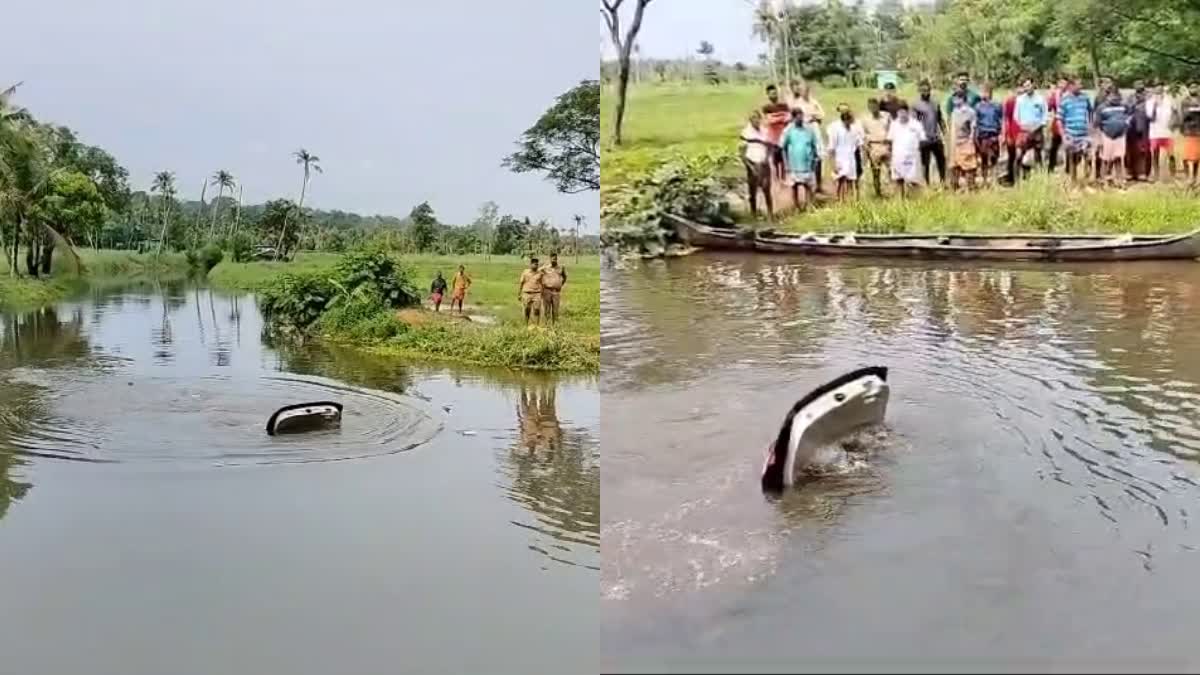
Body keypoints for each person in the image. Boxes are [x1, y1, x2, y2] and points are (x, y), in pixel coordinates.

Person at [789, 81, 827, 192]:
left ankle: (819, 184)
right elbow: (794, 118)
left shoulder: (814, 102)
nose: (804, 92)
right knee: (805, 156)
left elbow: (822, 114)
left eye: (806, 90)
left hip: (814, 130)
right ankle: (806, 185)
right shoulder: (797, 104)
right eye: (802, 90)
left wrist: (814, 117)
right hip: (803, 131)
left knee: (818, 157)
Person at [780, 109, 819, 210]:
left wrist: (815, 159)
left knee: (808, 185)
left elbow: (814, 145)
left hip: (807, 162)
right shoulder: (788, 130)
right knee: (794, 186)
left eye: (801, 116)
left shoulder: (809, 130)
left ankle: (809, 205)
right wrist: (786, 164)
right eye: (798, 117)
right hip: (794, 164)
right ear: (793, 118)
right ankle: (796, 206)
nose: (800, 119)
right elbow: (783, 148)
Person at [739, 110, 775, 220]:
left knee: (766, 189)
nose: (756, 120)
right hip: (752, 164)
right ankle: (753, 214)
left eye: (757, 118)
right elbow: (742, 153)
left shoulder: (765, 131)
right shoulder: (746, 133)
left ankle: (770, 214)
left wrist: (767, 158)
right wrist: (750, 167)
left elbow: (770, 147)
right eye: (753, 118)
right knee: (753, 191)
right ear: (750, 120)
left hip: (764, 163)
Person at [1057, 78, 1093, 184]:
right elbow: (1059, 119)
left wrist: (1090, 125)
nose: (1081, 86)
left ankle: (1086, 180)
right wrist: (1063, 135)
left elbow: (1090, 111)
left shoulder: (1085, 97)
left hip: (1084, 134)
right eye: (1078, 84)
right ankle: (1073, 181)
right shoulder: (1065, 99)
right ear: (1071, 86)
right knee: (1073, 159)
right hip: (1071, 133)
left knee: (1088, 157)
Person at [887, 102, 926, 198]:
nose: (902, 114)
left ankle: (915, 200)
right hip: (898, 157)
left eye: (903, 111)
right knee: (898, 180)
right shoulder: (894, 124)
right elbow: (890, 140)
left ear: (907, 111)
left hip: (912, 158)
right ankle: (900, 201)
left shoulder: (916, 124)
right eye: (899, 112)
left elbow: (922, 140)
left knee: (913, 180)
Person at [913, 79, 946, 185]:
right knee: (925, 163)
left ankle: (943, 182)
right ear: (919, 90)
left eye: (927, 90)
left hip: (936, 137)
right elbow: (916, 122)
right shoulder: (917, 106)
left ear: (930, 90)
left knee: (941, 160)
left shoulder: (935, 103)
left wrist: (945, 132)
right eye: (923, 90)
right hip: (924, 139)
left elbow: (940, 119)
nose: (925, 92)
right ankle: (926, 184)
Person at [1014, 77, 1048, 180]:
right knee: (1019, 154)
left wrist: (1039, 125)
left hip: (1037, 130)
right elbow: (1016, 116)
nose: (1027, 88)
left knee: (1038, 155)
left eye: (1028, 85)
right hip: (1024, 131)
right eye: (1025, 86)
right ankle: (1017, 178)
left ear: (1033, 85)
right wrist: (1023, 126)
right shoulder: (1020, 100)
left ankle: (1041, 177)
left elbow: (1045, 115)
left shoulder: (1040, 99)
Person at [826, 104, 862, 201]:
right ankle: (840, 200)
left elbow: (858, 143)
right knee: (841, 181)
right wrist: (833, 164)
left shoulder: (854, 129)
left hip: (851, 158)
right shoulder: (836, 129)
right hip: (840, 158)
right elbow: (831, 148)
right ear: (844, 119)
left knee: (851, 180)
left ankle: (850, 200)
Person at [1095, 88, 1131, 185]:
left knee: (1118, 158)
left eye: (1117, 95)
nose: (1115, 98)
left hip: (1120, 136)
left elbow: (1129, 115)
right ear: (1108, 96)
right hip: (1106, 136)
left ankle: (1119, 180)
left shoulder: (1123, 106)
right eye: (1112, 95)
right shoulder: (1101, 108)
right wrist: (1099, 140)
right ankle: (1104, 180)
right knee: (1105, 159)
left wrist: (1126, 125)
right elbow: (1097, 125)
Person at [861, 98, 892, 197]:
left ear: (878, 106)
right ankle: (878, 193)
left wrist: (891, 145)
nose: (873, 108)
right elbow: (864, 134)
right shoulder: (865, 119)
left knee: (892, 170)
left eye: (875, 106)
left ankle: (894, 192)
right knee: (875, 172)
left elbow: (892, 129)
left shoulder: (887, 116)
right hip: (874, 147)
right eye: (871, 107)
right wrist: (867, 149)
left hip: (886, 146)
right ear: (869, 108)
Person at [1147, 82, 1178, 180]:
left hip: (1167, 131)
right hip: (1155, 132)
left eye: (1161, 89)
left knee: (1171, 154)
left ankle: (1173, 174)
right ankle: (1156, 174)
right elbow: (1150, 118)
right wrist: (1155, 106)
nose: (1159, 91)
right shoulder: (1150, 102)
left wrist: (1173, 123)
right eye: (1157, 89)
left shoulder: (1169, 100)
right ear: (1154, 90)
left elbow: (1175, 112)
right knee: (1155, 154)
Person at [973, 84, 1003, 183]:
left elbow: (1001, 119)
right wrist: (975, 137)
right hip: (983, 135)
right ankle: (985, 180)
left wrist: (1001, 134)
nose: (984, 94)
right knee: (984, 159)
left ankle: (994, 179)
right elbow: (975, 122)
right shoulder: (978, 107)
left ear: (991, 93)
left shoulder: (997, 106)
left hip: (993, 135)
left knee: (994, 158)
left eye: (986, 92)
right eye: (983, 92)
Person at [762, 84, 792, 181]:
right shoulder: (766, 107)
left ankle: (783, 177)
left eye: (775, 93)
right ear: (767, 95)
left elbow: (788, 118)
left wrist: (776, 118)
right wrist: (781, 118)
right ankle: (776, 177)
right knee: (775, 158)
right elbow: (769, 121)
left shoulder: (784, 106)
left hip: (783, 135)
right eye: (771, 94)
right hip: (772, 137)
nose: (774, 96)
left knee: (783, 158)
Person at [949, 94, 979, 190]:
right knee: (954, 165)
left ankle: (971, 187)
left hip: (966, 141)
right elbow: (953, 128)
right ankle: (954, 188)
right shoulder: (954, 112)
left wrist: (971, 140)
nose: (954, 100)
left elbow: (973, 128)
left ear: (962, 99)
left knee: (969, 166)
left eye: (956, 98)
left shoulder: (970, 112)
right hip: (955, 142)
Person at [1126, 81, 1151, 181]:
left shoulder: (1149, 97)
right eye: (1136, 84)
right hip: (1132, 128)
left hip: (1145, 127)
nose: (1139, 86)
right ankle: (1131, 172)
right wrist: (1135, 103)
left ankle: (1143, 172)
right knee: (1131, 151)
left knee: (1144, 151)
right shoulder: (1131, 97)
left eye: (1141, 84)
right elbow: (1127, 110)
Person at [1046, 75, 1068, 172]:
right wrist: (1049, 96)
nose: (1063, 85)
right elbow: (1049, 107)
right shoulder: (1055, 95)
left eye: (1064, 83)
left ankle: (1068, 168)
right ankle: (1051, 167)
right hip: (1057, 121)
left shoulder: (1069, 95)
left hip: (1068, 122)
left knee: (1067, 145)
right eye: (1061, 83)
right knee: (1054, 146)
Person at [1180, 82, 1200, 186]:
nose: (1194, 89)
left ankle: (1195, 177)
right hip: (1188, 131)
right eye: (1192, 87)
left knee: (1196, 157)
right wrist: (1194, 110)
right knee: (1186, 156)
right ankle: (1188, 176)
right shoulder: (1185, 101)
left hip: (1198, 131)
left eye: (1196, 87)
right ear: (1188, 89)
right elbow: (1184, 115)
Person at [539, 253, 567, 325]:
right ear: (550, 259)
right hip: (547, 291)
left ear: (557, 259)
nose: (554, 260)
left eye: (555, 259)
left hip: (556, 292)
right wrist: (542, 284)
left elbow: (564, 277)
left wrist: (560, 284)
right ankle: (547, 326)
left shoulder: (561, 268)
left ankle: (555, 327)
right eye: (552, 259)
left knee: (555, 310)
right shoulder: (545, 267)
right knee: (547, 310)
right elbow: (537, 274)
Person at [518, 257, 543, 325]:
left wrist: (542, 293)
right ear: (531, 264)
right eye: (535, 264)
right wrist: (519, 293)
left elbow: (542, 283)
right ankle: (526, 324)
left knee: (537, 310)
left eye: (537, 264)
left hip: (536, 293)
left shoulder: (540, 273)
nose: (536, 266)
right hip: (527, 293)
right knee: (527, 309)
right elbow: (521, 283)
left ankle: (536, 325)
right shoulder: (525, 272)